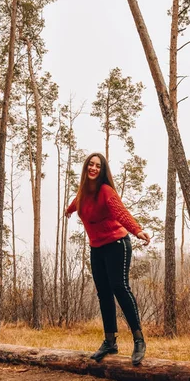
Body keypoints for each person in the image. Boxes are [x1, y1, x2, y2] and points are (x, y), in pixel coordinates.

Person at [65, 153, 151, 365]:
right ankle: (110, 341)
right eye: (90, 165)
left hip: (117, 244)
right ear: (86, 168)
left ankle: (139, 340)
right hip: (97, 248)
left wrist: (137, 231)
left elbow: (121, 213)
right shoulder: (82, 193)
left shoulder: (106, 191)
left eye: (98, 166)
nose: (93, 168)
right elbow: (77, 202)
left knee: (119, 288)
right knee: (104, 293)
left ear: (102, 171)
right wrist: (68, 210)